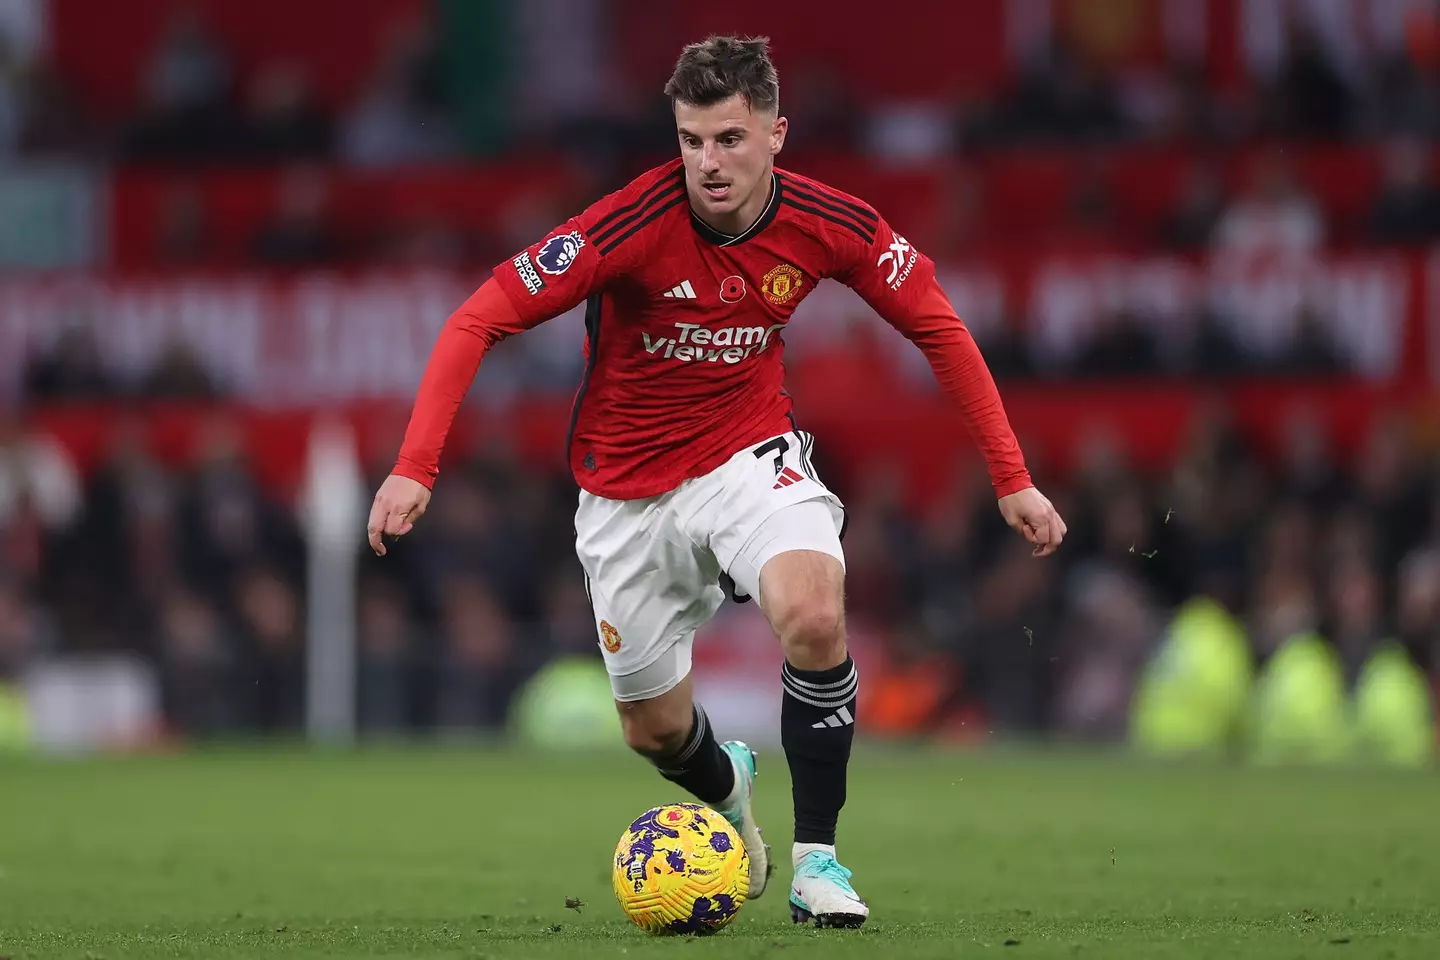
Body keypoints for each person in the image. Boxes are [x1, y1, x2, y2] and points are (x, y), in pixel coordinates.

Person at [367, 35, 1066, 928]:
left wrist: (1013, 478)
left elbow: (939, 325)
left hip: (747, 456)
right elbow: (478, 318)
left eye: (729, 139)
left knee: (815, 612)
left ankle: (819, 863)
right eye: (692, 140)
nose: (708, 163)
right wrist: (414, 467)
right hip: (624, 495)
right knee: (653, 731)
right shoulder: (627, 224)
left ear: (777, 132)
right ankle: (729, 786)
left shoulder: (830, 223)